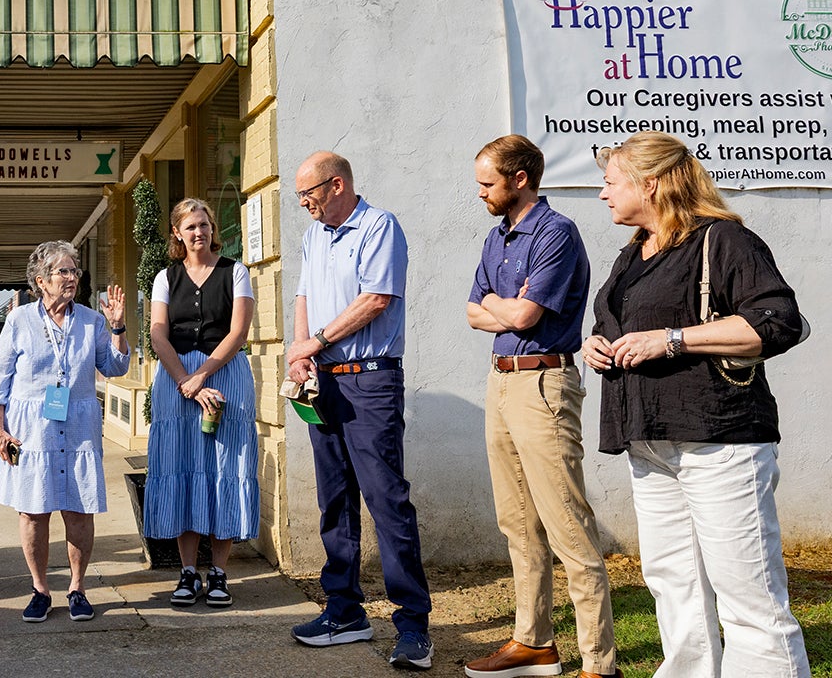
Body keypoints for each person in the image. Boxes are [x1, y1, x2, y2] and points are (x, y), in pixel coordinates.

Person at [582, 131, 809, 677]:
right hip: (651, 437)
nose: (603, 194)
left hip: (719, 438)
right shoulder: (632, 254)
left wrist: (673, 339)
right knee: (674, 584)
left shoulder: (725, 242)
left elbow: (779, 322)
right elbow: (621, 321)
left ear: (650, 184)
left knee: (746, 591)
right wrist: (598, 343)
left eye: (611, 182)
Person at [464, 136, 616, 678]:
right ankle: (535, 643)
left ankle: (600, 662)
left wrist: (501, 308)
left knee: (566, 524)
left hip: (544, 383)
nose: (479, 191)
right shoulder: (495, 236)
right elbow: (472, 310)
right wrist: (505, 308)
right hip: (501, 382)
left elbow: (526, 318)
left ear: (520, 179)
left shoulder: (556, 233)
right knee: (517, 522)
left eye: (487, 182)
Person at [285, 151, 433, 671]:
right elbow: (304, 295)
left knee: (387, 500)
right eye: (301, 197)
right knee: (335, 500)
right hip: (323, 382)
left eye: (310, 195)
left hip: (369, 380)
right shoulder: (314, 235)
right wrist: (299, 350)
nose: (304, 205)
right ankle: (345, 611)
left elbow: (376, 300)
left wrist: (316, 342)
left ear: (338, 185)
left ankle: (413, 625)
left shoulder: (379, 227)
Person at [0, 241, 130, 624]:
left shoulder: (90, 320)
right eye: (63, 271)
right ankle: (40, 590)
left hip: (78, 428)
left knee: (79, 511)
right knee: (34, 512)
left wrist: (117, 327)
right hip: (32, 430)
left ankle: (78, 589)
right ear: (41, 281)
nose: (72, 277)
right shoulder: (19, 321)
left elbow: (115, 368)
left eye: (75, 270)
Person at [143, 197, 258, 608]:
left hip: (223, 374)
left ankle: (221, 573)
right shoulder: (164, 278)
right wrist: (185, 382)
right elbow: (159, 334)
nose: (199, 232)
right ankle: (189, 572)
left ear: (213, 229)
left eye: (205, 224)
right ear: (177, 233)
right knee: (181, 468)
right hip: (176, 382)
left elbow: (238, 332)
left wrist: (202, 376)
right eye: (190, 226)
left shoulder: (235, 272)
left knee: (225, 468)